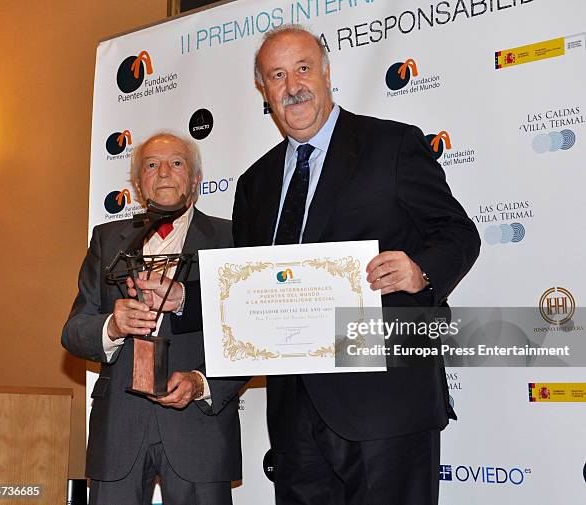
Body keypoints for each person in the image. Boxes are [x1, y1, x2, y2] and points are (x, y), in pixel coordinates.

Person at [232, 25, 481, 505]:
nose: (292, 86)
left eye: (303, 68)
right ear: (264, 91)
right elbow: (246, 287)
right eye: (276, 75)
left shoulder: (393, 145)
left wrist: (420, 271)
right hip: (293, 415)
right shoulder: (254, 183)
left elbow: (458, 233)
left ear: (327, 73)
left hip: (386, 404)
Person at [62, 132, 245, 505]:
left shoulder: (230, 238)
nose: (163, 173)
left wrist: (202, 382)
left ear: (195, 179)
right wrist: (112, 326)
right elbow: (74, 331)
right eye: (151, 165)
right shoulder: (107, 239)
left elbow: (249, 331)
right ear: (138, 181)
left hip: (198, 425)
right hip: (118, 429)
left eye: (176, 163)